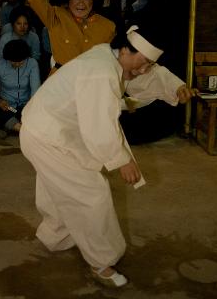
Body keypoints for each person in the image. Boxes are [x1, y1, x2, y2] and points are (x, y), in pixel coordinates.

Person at [20, 25, 196, 287]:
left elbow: (145, 74)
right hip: (47, 137)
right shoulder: (100, 71)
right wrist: (120, 159)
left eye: (149, 63)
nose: (145, 68)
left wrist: (175, 87)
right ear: (125, 49)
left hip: (51, 130)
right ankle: (100, 261)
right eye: (143, 61)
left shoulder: (112, 57)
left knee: (59, 188)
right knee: (91, 193)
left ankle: (55, 236)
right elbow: (99, 125)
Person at [28, 0, 116, 73]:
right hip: (60, 81)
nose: (81, 3)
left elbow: (110, 62)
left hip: (92, 81)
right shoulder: (56, 16)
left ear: (94, 0)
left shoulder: (108, 26)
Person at [0, 39, 40, 137]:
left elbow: (35, 88)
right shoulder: (0, 65)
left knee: (42, 110)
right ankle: (22, 129)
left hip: (25, 106)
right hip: (8, 107)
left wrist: (30, 107)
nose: (18, 64)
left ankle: (7, 125)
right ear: (7, 58)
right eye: (14, 62)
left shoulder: (32, 63)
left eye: (21, 62)